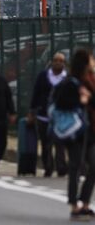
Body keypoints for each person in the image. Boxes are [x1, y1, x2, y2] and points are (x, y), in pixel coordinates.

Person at [52, 49, 95, 221]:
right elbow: (62, 102)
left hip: (90, 130)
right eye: (91, 59)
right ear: (84, 63)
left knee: (93, 166)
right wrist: (81, 100)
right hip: (75, 131)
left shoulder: (90, 80)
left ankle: (84, 202)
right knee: (75, 166)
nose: (93, 61)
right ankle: (74, 205)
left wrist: (88, 99)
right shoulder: (71, 82)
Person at [29, 52, 68, 178]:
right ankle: (48, 167)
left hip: (61, 117)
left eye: (61, 61)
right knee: (46, 144)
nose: (58, 63)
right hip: (43, 115)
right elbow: (35, 93)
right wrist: (32, 111)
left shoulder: (67, 78)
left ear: (64, 63)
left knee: (60, 143)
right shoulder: (43, 76)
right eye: (56, 60)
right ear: (51, 62)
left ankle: (61, 167)